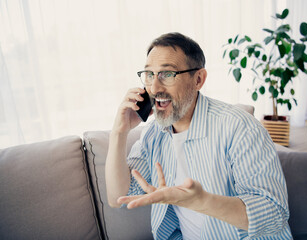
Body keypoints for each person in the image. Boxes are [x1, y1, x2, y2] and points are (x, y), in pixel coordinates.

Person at [105, 32, 292, 239]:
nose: (154, 88)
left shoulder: (239, 127)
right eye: (149, 74)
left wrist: (201, 201)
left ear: (198, 79)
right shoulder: (153, 133)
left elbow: (274, 215)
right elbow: (118, 198)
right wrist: (119, 132)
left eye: (167, 74)